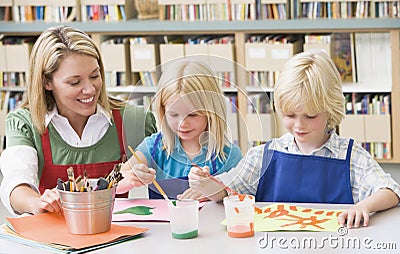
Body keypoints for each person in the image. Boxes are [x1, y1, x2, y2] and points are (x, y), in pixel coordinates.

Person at [188, 50, 400, 228]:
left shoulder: (350, 156)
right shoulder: (264, 156)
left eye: (310, 116)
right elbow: (228, 191)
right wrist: (205, 184)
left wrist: (364, 206)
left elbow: (391, 191)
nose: (299, 125)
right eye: (290, 115)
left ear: (330, 109)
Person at [0, 26, 157, 215]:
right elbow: (16, 185)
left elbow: (176, 163)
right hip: (55, 238)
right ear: (46, 82)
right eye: (75, 82)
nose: (90, 89)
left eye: (94, 76)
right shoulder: (25, 123)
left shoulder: (134, 120)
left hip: (116, 237)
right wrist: (37, 203)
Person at [117, 59, 242, 200]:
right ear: (163, 112)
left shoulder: (228, 155)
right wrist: (130, 178)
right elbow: (116, 184)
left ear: (212, 112)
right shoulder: (154, 147)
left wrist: (214, 192)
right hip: (164, 222)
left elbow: (242, 198)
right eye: (173, 114)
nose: (182, 123)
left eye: (193, 114)